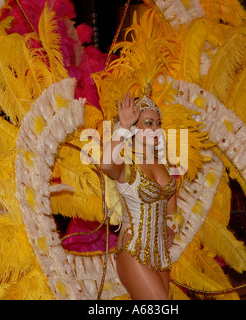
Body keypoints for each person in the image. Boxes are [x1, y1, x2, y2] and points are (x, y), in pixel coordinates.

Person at [100, 91, 177, 300]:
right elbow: (106, 164)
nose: (156, 129)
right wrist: (122, 127)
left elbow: (170, 201)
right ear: (135, 128)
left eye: (158, 123)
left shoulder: (163, 165)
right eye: (149, 123)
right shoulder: (127, 164)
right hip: (133, 251)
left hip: (160, 252)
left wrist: (170, 225)